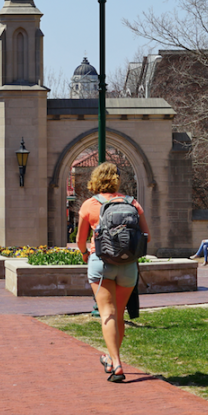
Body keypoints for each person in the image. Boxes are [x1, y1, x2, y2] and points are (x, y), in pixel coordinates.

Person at [76, 162, 151, 383]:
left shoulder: (89, 205)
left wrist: (84, 254)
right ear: (117, 180)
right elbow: (146, 236)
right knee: (118, 315)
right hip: (128, 266)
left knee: (106, 313)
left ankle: (116, 363)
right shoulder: (132, 203)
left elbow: (80, 241)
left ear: (95, 180)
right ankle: (111, 357)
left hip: (101, 263)